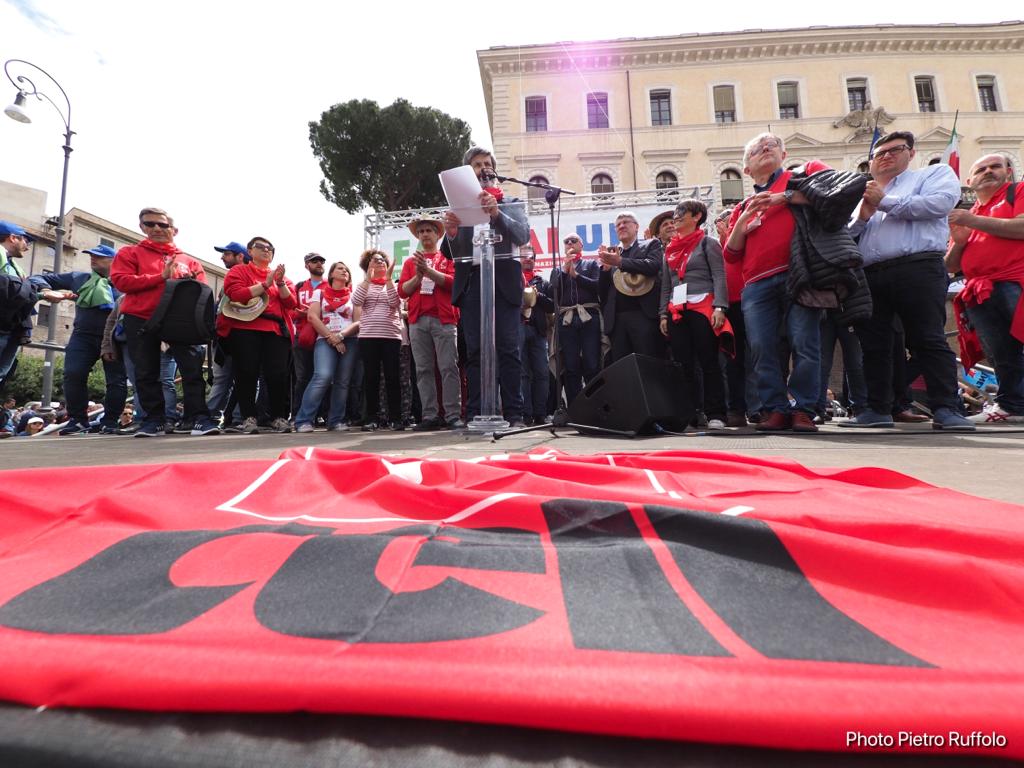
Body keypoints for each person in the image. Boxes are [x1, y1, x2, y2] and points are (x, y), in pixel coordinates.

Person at [842, 130, 974, 431]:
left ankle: (946, 408)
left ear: (911, 153)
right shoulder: (862, 193)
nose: (886, 156)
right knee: (874, 345)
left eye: (895, 149)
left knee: (927, 338)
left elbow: (938, 205)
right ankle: (877, 409)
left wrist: (885, 201)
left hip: (918, 268)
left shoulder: (933, 174)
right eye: (879, 153)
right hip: (870, 274)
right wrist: (862, 215)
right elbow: (846, 238)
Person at [724, 133, 826, 433]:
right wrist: (742, 225)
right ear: (746, 169)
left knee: (804, 342)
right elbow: (731, 255)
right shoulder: (741, 208)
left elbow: (838, 193)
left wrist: (786, 197)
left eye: (771, 145)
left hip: (800, 274)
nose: (765, 148)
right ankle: (774, 409)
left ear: (784, 154)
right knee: (761, 347)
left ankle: (804, 408)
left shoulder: (803, 177)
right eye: (756, 149)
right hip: (756, 284)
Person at [109, 207, 217, 437]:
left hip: (181, 321)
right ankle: (153, 421)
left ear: (173, 229)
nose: (156, 228)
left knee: (192, 370)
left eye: (162, 225)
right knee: (146, 371)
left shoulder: (190, 261)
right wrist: (161, 277)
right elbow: (121, 282)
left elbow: (203, 292)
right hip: (141, 317)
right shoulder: (129, 253)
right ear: (142, 227)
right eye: (150, 224)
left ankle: (198, 417)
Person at [441, 146, 530, 427]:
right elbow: (447, 252)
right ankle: (477, 411)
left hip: (503, 282)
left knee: (508, 349)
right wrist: (452, 232)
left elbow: (522, 234)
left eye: (486, 164)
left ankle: (514, 414)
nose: (482, 168)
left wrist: (497, 214)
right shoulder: (461, 206)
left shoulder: (511, 201)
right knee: (476, 352)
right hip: (473, 284)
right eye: (477, 164)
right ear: (469, 171)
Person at [946, 154, 1024, 424]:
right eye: (981, 169)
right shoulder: (971, 214)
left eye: (995, 167)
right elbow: (951, 264)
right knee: (999, 351)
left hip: (1016, 281)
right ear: (969, 180)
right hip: (979, 289)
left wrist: (972, 222)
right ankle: (1011, 406)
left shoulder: (1018, 192)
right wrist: (959, 241)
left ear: (1009, 171)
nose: (988, 172)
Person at [32, 244, 128, 435]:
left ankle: (110, 422)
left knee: (116, 380)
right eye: (91, 255)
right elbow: (38, 277)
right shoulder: (79, 278)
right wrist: (47, 290)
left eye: (99, 256)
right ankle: (78, 420)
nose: (93, 259)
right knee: (73, 373)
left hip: (114, 337)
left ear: (114, 261)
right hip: (82, 336)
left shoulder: (124, 282)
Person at [660, 200, 731, 430]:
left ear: (697, 216)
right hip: (677, 311)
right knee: (682, 364)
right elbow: (666, 286)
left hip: (703, 307)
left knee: (709, 361)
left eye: (682, 212)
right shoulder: (669, 249)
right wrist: (663, 314)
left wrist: (720, 306)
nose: (676, 216)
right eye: (675, 212)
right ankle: (688, 415)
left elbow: (719, 276)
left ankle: (716, 414)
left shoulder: (707, 243)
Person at [216, 236, 296, 434]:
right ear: (249, 252)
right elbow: (236, 294)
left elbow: (291, 303)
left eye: (270, 248)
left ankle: (277, 417)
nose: (266, 250)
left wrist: (279, 283)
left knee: (277, 375)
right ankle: (248, 418)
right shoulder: (239, 270)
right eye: (260, 247)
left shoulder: (282, 277)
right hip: (245, 328)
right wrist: (265, 284)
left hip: (275, 331)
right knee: (246, 373)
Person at [400, 216, 462, 431]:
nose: (425, 234)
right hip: (417, 321)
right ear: (418, 236)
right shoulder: (411, 262)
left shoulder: (447, 258)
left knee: (448, 368)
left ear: (438, 234)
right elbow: (403, 291)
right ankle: (430, 416)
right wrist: (418, 276)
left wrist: (429, 272)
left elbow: (455, 284)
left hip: (444, 319)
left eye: (429, 230)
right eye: (422, 231)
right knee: (424, 370)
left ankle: (453, 415)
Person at [294, 261, 361, 432]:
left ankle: (336, 420)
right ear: (331, 275)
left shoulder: (355, 296)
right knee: (322, 376)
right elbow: (312, 317)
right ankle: (303, 420)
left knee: (343, 381)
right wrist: (332, 337)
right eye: (340, 269)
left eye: (346, 270)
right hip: (325, 339)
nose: (344, 271)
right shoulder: (320, 293)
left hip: (349, 340)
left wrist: (341, 336)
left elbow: (358, 321)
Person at [598, 211, 664, 361]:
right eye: (618, 225)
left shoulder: (650, 244)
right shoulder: (611, 253)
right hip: (617, 320)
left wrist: (620, 262)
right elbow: (602, 291)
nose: (621, 226)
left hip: (643, 315)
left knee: (647, 363)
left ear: (636, 227)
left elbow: (653, 266)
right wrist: (605, 270)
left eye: (626, 222)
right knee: (623, 369)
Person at [353, 249, 403, 431]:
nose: (380, 262)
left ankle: (396, 418)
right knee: (371, 378)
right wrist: (368, 279)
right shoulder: (363, 285)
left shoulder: (394, 284)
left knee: (392, 378)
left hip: (390, 336)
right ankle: (372, 417)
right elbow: (356, 301)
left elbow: (395, 303)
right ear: (368, 266)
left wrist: (389, 280)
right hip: (368, 337)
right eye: (375, 260)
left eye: (383, 260)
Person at [548, 233, 601, 407]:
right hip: (567, 320)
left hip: (589, 316)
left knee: (592, 363)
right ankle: (576, 408)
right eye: (566, 241)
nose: (570, 243)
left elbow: (598, 286)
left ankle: (594, 406)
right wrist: (565, 271)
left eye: (574, 241)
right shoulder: (557, 269)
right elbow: (552, 293)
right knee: (570, 366)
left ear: (581, 245)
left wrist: (577, 275)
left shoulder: (592, 264)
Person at [207, 242, 248, 427]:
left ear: (240, 256)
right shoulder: (228, 280)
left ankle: (239, 417)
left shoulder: (250, 278)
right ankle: (211, 417)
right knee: (222, 379)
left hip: (242, 337)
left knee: (246, 378)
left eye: (227, 254)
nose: (222, 257)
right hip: (223, 338)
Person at [518, 244, 554, 424]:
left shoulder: (543, 281)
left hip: (538, 331)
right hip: (517, 329)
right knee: (522, 374)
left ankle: (540, 413)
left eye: (530, 256)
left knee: (541, 372)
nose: (527, 259)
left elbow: (552, 306)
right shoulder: (511, 280)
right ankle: (525, 414)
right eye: (523, 256)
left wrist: (537, 295)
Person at [0, 220, 36, 387]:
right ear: (13, 238)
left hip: (11, 329)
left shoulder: (15, 267)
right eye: (25, 241)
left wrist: (42, 294)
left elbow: (19, 295)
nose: (27, 247)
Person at [292, 252, 327, 414]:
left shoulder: (331, 285)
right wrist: (301, 313)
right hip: (302, 337)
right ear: (307, 265)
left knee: (324, 377)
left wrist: (314, 314)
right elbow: (289, 312)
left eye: (321, 261)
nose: (319, 263)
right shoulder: (298, 287)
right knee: (303, 378)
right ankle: (298, 414)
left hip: (324, 337)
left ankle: (321, 414)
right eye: (314, 261)